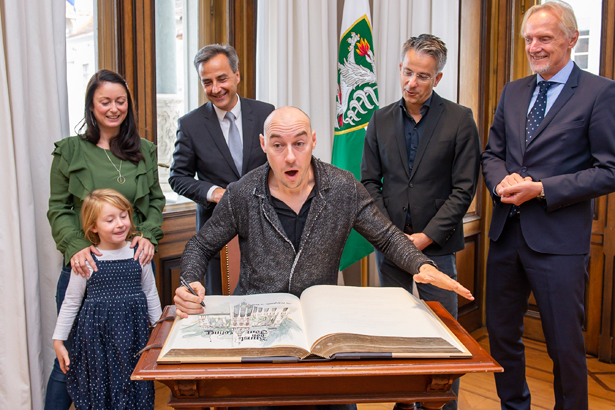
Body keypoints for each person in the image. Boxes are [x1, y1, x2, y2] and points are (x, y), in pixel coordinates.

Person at [174, 106, 474, 319]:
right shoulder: (242, 192)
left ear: (313, 142)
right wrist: (190, 282)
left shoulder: (342, 187)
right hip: (257, 317)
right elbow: (200, 246)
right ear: (264, 145)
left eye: (299, 143)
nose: (290, 156)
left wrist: (422, 266)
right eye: (278, 145)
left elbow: (386, 237)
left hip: (321, 316)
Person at [481, 2, 615, 409]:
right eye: (527, 39)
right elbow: (492, 154)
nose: (533, 47)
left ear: (571, 40)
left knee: (564, 345)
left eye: (544, 38)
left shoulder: (600, 92)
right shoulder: (513, 90)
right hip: (506, 236)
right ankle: (514, 406)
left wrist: (541, 189)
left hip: (559, 243)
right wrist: (501, 179)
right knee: (502, 336)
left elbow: (609, 169)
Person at [361, 34, 480, 410]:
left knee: (445, 333)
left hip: (438, 248)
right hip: (390, 245)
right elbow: (368, 183)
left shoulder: (460, 119)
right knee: (397, 331)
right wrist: (391, 237)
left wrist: (426, 237)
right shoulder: (379, 120)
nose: (413, 83)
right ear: (399, 69)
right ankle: (403, 401)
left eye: (423, 76)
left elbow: (464, 189)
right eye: (408, 72)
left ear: (438, 79)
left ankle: (442, 405)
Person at [46, 69, 165, 410]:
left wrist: (148, 236)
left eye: (120, 101)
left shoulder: (144, 150)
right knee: (67, 358)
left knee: (132, 356)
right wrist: (76, 246)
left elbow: (155, 202)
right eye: (105, 102)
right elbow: (58, 208)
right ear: (91, 105)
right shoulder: (70, 151)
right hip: (85, 266)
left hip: (131, 265)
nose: (114, 108)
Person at [169, 44, 275, 296]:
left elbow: (278, 164)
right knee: (223, 306)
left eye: (222, 79)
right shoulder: (190, 124)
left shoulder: (266, 113)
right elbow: (177, 177)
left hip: (266, 232)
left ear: (237, 75)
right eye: (207, 82)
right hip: (217, 237)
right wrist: (214, 192)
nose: (215, 89)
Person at [52, 189, 162, 410]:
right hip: (97, 342)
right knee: (102, 392)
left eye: (124, 216)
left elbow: (150, 293)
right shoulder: (86, 260)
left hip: (135, 338)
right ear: (93, 226)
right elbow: (71, 302)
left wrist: (161, 332)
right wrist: (58, 341)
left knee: (136, 389)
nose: (120, 224)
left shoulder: (139, 254)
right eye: (110, 220)